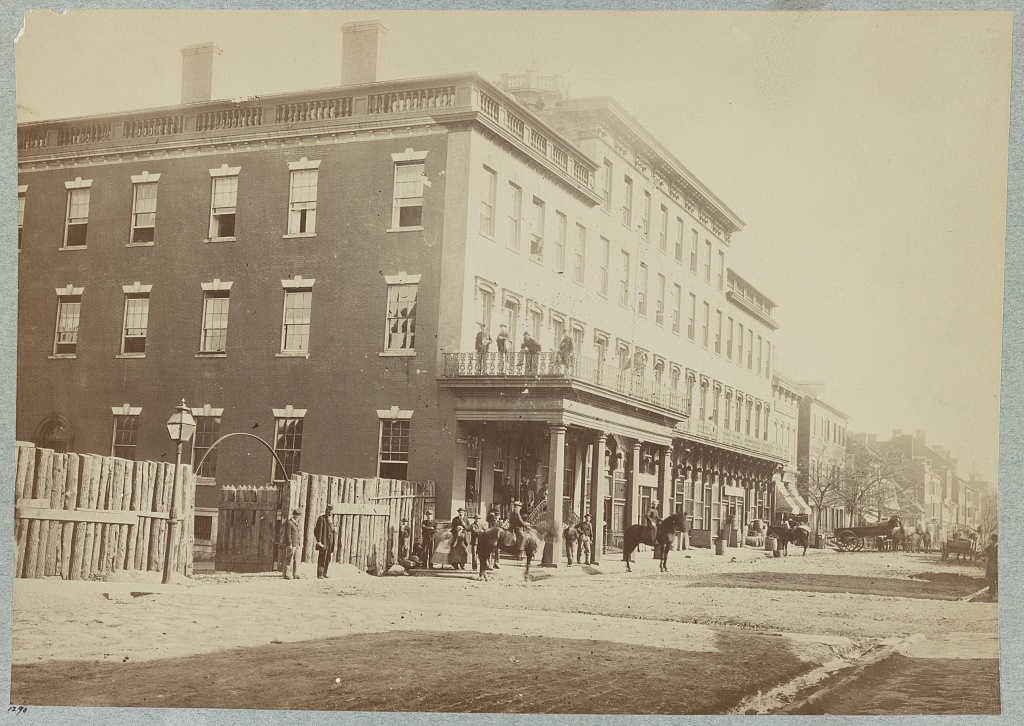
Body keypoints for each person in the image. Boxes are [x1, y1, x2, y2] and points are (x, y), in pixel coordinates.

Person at [314, 504, 336, 579]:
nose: (329, 512)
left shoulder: (332, 519)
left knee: (328, 558)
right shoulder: (321, 518)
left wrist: (334, 529)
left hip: (331, 541)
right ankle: (320, 574)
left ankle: (325, 573)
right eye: (328, 510)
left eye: (330, 510)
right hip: (324, 541)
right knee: (322, 557)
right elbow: (317, 530)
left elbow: (331, 528)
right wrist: (319, 541)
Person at [282, 508, 302, 580]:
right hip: (291, 544)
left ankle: (295, 574)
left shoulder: (296, 523)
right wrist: (289, 544)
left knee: (296, 559)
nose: (298, 517)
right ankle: (286, 574)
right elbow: (288, 534)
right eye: (297, 515)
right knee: (289, 559)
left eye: (299, 515)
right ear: (293, 515)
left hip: (296, 544)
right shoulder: (289, 523)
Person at [985, 533, 998, 598]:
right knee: (997, 578)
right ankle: (996, 592)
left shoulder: (991, 545)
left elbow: (985, 551)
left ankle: (992, 591)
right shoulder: (996, 545)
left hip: (992, 564)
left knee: (991, 578)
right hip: (996, 564)